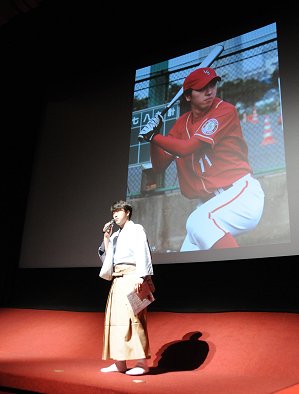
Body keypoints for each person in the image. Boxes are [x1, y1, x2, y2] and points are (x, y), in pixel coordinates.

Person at [138, 67, 265, 250]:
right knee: (188, 254)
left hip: (239, 194)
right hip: (210, 204)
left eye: (212, 84)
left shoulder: (224, 110)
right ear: (188, 96)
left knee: (197, 222)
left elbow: (186, 148)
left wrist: (154, 137)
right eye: (202, 88)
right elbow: (159, 166)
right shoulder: (182, 124)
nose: (209, 91)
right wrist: (154, 138)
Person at [98, 200, 154, 375]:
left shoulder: (136, 229)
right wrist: (107, 237)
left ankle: (141, 363)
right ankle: (120, 362)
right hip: (118, 279)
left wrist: (141, 276)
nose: (115, 214)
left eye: (118, 211)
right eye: (113, 212)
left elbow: (142, 252)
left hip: (132, 276)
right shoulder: (115, 235)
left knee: (134, 318)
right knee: (116, 321)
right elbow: (109, 259)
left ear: (127, 212)